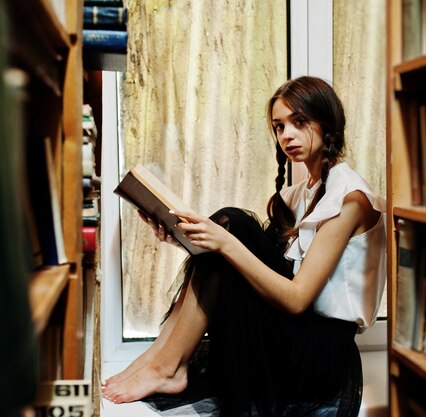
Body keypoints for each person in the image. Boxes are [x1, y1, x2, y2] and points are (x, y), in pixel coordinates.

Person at [102, 75, 386, 417]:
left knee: (232, 223)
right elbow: (243, 271)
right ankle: (160, 358)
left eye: (299, 122)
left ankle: (167, 366)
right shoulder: (298, 194)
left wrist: (224, 242)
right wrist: (182, 239)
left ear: (327, 123)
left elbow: (296, 300)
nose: (287, 136)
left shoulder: (351, 197)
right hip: (295, 338)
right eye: (279, 127)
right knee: (229, 230)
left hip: (320, 355)